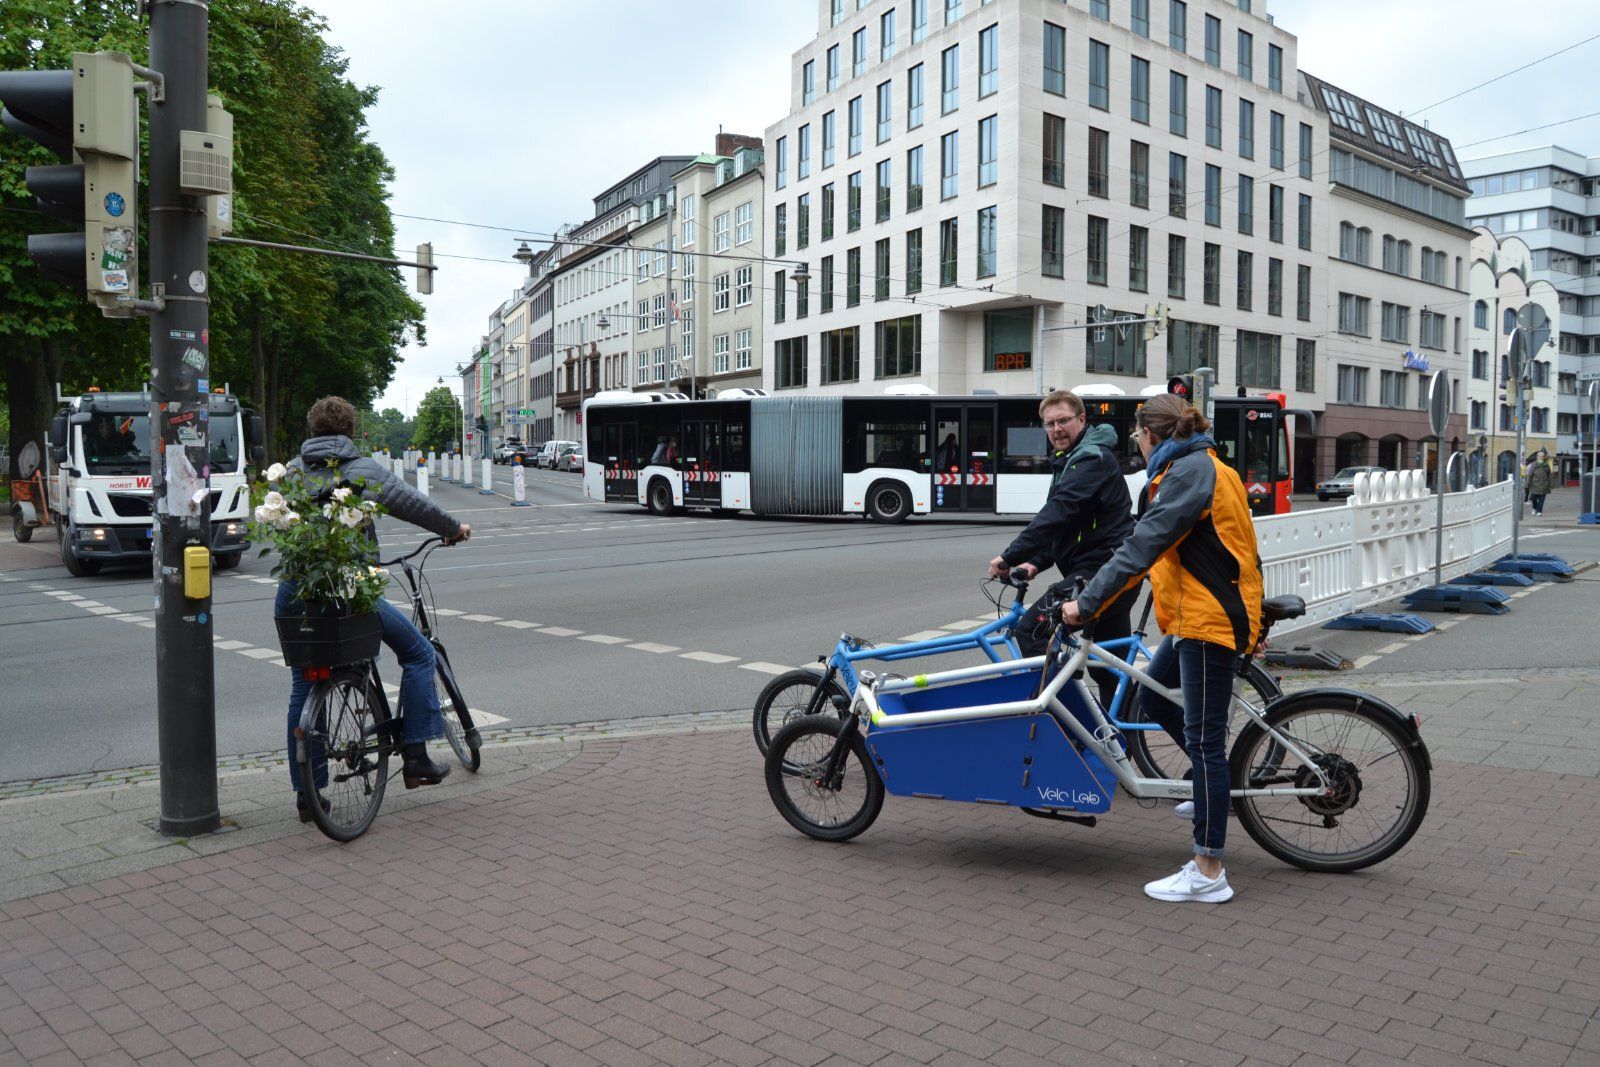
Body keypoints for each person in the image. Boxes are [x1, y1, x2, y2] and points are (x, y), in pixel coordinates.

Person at [1061, 394, 1263, 904]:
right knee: (1151, 698)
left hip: (1208, 621)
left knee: (1204, 743)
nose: (1136, 443)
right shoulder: (1205, 466)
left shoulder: (1189, 473)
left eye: (1136, 436)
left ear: (1151, 434)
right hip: (1200, 615)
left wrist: (1086, 603)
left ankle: (1208, 869)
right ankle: (1209, 793)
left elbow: (1143, 543)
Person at [279, 396, 472, 819]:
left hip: (296, 593)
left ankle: (307, 793)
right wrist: (453, 528)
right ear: (350, 431)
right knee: (419, 653)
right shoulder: (361, 469)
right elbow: (412, 503)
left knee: (303, 685)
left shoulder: (291, 473)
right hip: (347, 590)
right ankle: (417, 756)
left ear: (312, 431)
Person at [987, 390, 1136, 706]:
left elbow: (1058, 513)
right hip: (1110, 570)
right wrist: (1036, 563)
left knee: (1030, 632)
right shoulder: (1073, 460)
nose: (1056, 429)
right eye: (1049, 423)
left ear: (1081, 419)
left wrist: (1009, 555)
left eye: (1063, 421)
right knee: (1108, 669)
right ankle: (1121, 736)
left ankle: (1068, 723)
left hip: (1101, 571)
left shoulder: (1091, 459)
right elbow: (1071, 526)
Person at [1527, 450, 1553, 516]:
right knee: (1533, 498)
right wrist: (1527, 483)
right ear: (1537, 457)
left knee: (1542, 500)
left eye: (1542, 456)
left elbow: (1549, 475)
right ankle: (1534, 507)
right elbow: (1530, 475)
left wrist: (1551, 484)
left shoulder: (1546, 465)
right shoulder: (1533, 465)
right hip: (1534, 485)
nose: (1541, 457)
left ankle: (1539, 511)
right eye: (1540, 456)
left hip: (1544, 485)